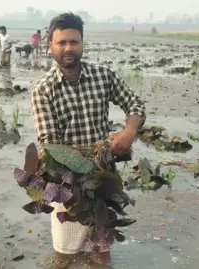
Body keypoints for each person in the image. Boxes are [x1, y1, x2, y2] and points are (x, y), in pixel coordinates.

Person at [31, 13, 146, 266]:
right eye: (61, 43)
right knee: (66, 251)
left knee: (101, 249)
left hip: (105, 179)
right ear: (50, 45)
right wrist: (94, 156)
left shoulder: (103, 76)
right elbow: (50, 147)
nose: (68, 48)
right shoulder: (43, 90)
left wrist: (128, 133)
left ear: (82, 43)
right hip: (67, 183)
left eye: (74, 41)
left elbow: (134, 103)